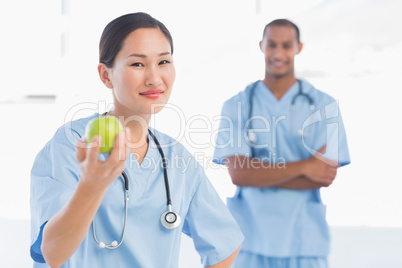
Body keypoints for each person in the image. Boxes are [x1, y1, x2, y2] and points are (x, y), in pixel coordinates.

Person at [30, 12, 243, 268]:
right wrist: (93, 184)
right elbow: (53, 253)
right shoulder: (72, 144)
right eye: (138, 64)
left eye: (163, 62)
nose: (154, 78)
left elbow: (225, 244)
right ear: (106, 75)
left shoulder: (176, 157)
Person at [213, 19, 350, 268]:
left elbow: (324, 176)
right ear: (261, 46)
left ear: (298, 48)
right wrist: (305, 166)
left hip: (304, 241)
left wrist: (259, 171)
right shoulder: (237, 104)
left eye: (286, 46)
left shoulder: (323, 106)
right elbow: (239, 174)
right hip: (250, 241)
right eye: (272, 45)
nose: (278, 53)